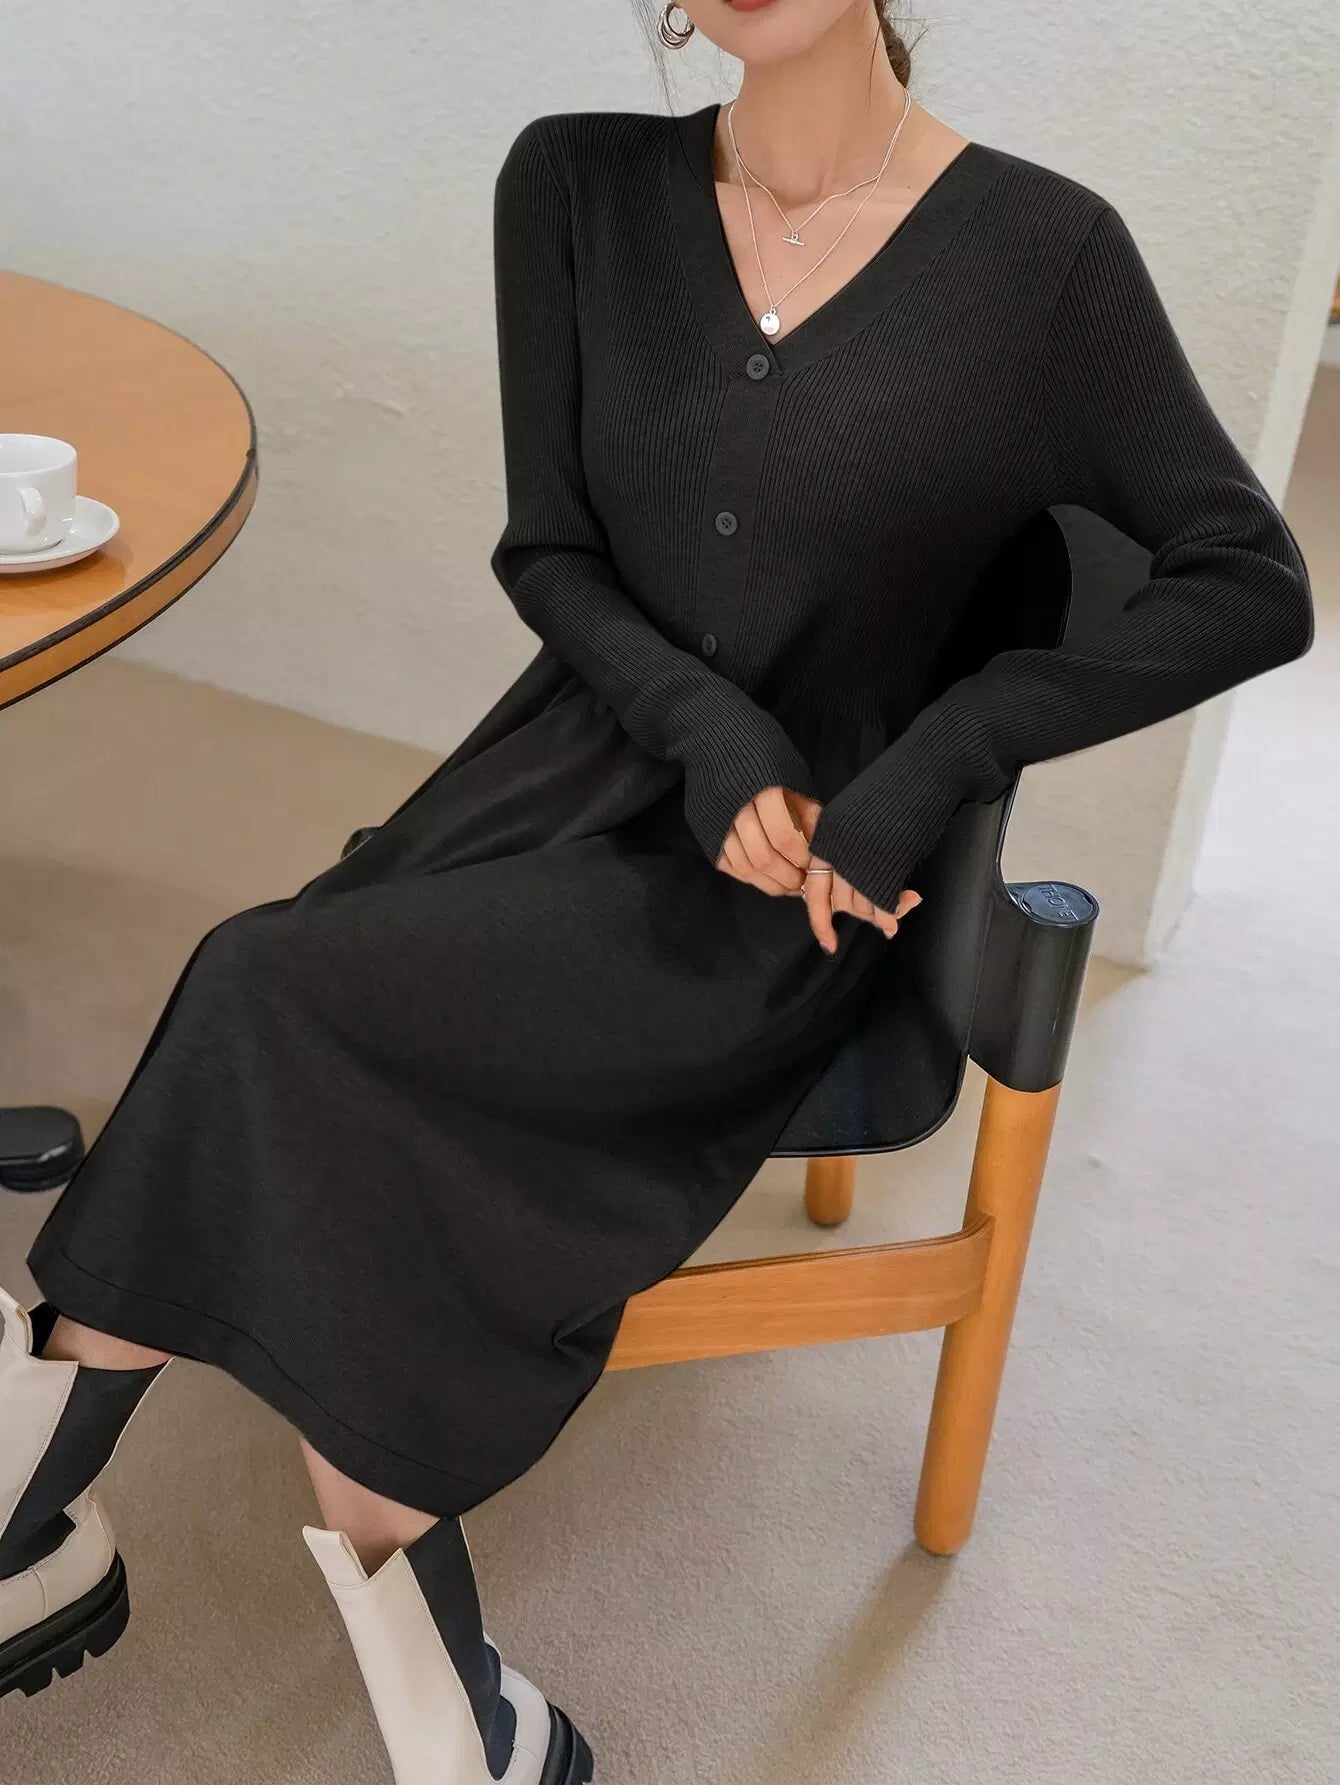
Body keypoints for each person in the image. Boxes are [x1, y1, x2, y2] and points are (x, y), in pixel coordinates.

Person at [1, 3, 1313, 1781]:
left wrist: (948, 748)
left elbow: (1251, 579)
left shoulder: (1044, 256)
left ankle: (49, 1517)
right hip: (558, 768)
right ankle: (445, 1705)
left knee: (266, 990)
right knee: (302, 1014)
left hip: (785, 886)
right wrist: (701, 722)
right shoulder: (574, 183)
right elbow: (549, 544)